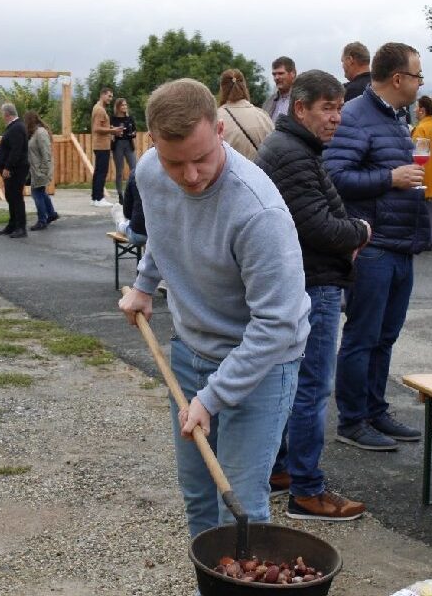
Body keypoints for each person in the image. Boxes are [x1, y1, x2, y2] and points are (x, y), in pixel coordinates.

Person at [118, 78, 310, 539]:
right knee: (199, 495)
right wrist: (145, 285)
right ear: (153, 145)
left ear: (220, 129)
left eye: (202, 158)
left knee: (240, 503)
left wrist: (213, 396)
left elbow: (277, 323)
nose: (190, 176)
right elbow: (163, 234)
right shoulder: (149, 171)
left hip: (262, 363)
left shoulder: (258, 211)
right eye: (175, 162)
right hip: (189, 352)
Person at [255, 70, 369, 521]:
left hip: (306, 278)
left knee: (293, 384)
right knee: (311, 388)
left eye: (339, 107)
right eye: (327, 107)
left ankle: (283, 470)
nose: (336, 117)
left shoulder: (294, 149)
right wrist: (360, 230)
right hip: (313, 281)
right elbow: (317, 227)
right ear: (300, 109)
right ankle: (307, 490)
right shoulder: (294, 155)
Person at [325, 42, 429, 451]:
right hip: (373, 245)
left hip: (400, 243)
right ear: (399, 78)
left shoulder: (395, 117)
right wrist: (390, 179)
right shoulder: (355, 117)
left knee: (385, 336)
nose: (422, 82)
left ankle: (374, 409)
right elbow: (334, 177)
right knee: (363, 336)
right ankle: (352, 420)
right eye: (418, 75)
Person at [217, 68, 274, 161]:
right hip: (260, 174)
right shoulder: (263, 116)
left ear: (222, 89)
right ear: (244, 87)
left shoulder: (214, 119)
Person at [0, 102, 30, 238]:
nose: (2, 116)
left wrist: (8, 167)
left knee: (16, 197)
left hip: (16, 169)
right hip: (12, 169)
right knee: (10, 196)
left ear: (7, 114)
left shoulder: (17, 128)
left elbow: (16, 150)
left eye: (3, 114)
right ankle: (12, 224)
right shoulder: (14, 127)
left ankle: (21, 227)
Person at [24, 111, 59, 231]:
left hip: (40, 170)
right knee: (41, 192)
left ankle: (42, 220)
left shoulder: (40, 133)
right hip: (36, 169)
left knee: (36, 193)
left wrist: (44, 170)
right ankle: (51, 213)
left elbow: (46, 152)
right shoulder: (36, 133)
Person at [90, 87, 123, 207]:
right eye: (109, 96)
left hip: (100, 145)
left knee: (98, 171)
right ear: (102, 95)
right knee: (102, 172)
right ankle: (99, 198)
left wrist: (111, 130)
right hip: (101, 145)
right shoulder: (99, 110)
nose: (110, 99)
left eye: (111, 96)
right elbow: (96, 128)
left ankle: (94, 198)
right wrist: (113, 130)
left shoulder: (98, 108)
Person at [411, 96, 432, 199]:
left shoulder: (421, 129)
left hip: (422, 182)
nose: (414, 110)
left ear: (422, 110)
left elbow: (418, 158)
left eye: (416, 107)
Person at [111, 98, 139, 202]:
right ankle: (120, 194)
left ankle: (134, 192)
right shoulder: (113, 119)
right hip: (118, 144)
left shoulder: (130, 118)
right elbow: (110, 131)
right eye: (122, 105)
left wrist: (133, 134)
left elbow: (135, 130)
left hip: (129, 144)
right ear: (118, 107)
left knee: (134, 168)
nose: (125, 107)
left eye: (125, 105)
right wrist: (115, 132)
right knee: (119, 170)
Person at [111, 170, 146, 245]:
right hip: (168, 235)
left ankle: (120, 222)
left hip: (140, 234)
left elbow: (127, 213)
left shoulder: (135, 173)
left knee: (127, 226)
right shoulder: (173, 174)